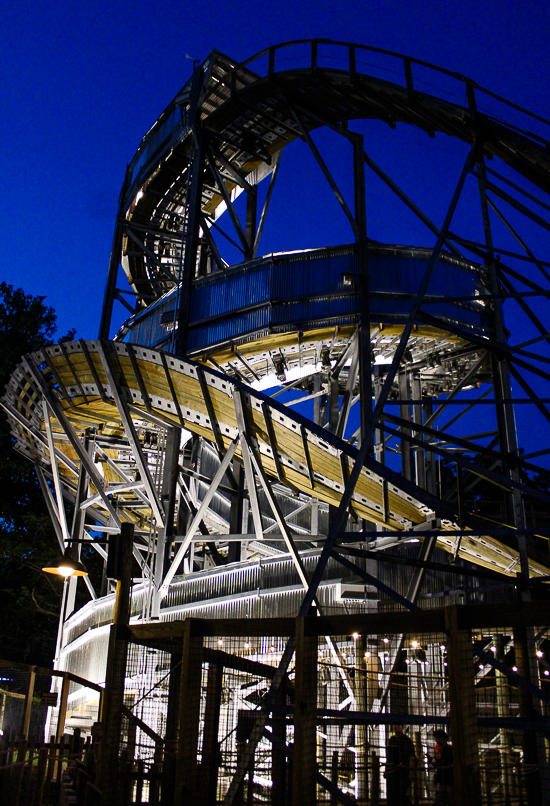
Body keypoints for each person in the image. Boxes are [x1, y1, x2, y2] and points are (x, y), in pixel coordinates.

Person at [385, 724, 416, 805]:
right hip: (393, 772)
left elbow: (411, 757)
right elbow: (389, 757)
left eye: (398, 725)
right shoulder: (391, 740)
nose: (396, 727)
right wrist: (387, 770)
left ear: (402, 727)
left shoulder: (407, 740)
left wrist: (410, 772)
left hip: (403, 771)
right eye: (395, 725)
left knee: (401, 794)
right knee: (394, 794)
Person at [432, 730, 453, 805]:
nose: (437, 740)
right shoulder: (437, 750)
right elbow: (438, 764)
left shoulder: (450, 750)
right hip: (441, 780)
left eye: (439, 738)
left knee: (450, 800)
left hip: (450, 780)